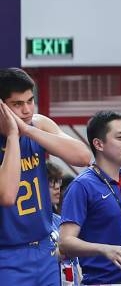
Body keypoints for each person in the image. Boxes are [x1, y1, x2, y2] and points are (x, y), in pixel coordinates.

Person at [0, 68, 92, 286]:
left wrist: (29, 131)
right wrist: (14, 136)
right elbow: (6, 195)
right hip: (7, 254)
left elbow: (83, 156)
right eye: (17, 104)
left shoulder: (38, 124)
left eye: (30, 101)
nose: (26, 110)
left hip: (45, 248)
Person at [58, 111, 121, 284]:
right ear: (99, 144)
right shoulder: (82, 186)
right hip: (102, 281)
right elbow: (65, 242)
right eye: (120, 137)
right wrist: (105, 250)